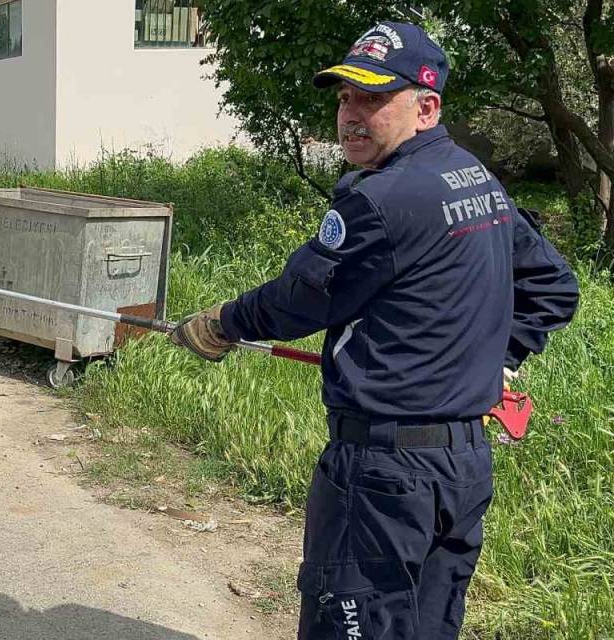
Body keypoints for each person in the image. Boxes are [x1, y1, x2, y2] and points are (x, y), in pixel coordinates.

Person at [170, 22, 580, 639]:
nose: (351, 115)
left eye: (372, 98)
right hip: (461, 469)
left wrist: (222, 323)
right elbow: (555, 286)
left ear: (426, 105)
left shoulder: (383, 200)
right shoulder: (474, 180)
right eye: (343, 98)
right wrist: (496, 362)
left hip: (383, 473)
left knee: (350, 625)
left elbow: (301, 302)